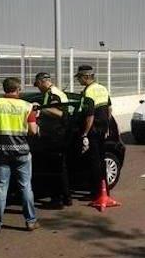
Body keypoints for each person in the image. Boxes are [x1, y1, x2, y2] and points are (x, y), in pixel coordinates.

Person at [0, 77, 39, 234]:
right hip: (22, 152)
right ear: (18, 89)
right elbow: (33, 131)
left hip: (0, 151)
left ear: (4, 89)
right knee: (26, 186)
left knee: (1, 187)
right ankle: (30, 221)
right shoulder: (27, 107)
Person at [34, 72, 72, 207]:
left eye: (37, 85)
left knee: (54, 169)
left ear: (42, 81)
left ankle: (57, 200)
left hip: (55, 136)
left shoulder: (54, 95)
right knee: (60, 167)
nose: (37, 88)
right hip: (54, 135)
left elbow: (62, 114)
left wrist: (41, 109)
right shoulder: (50, 93)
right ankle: (66, 197)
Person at [75, 65, 112, 199]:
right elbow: (109, 109)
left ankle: (96, 192)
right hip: (103, 128)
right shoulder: (102, 88)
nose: (78, 80)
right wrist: (107, 126)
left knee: (94, 161)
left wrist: (85, 133)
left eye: (79, 78)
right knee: (102, 160)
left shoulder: (88, 91)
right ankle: (104, 190)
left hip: (94, 130)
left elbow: (89, 115)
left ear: (86, 77)